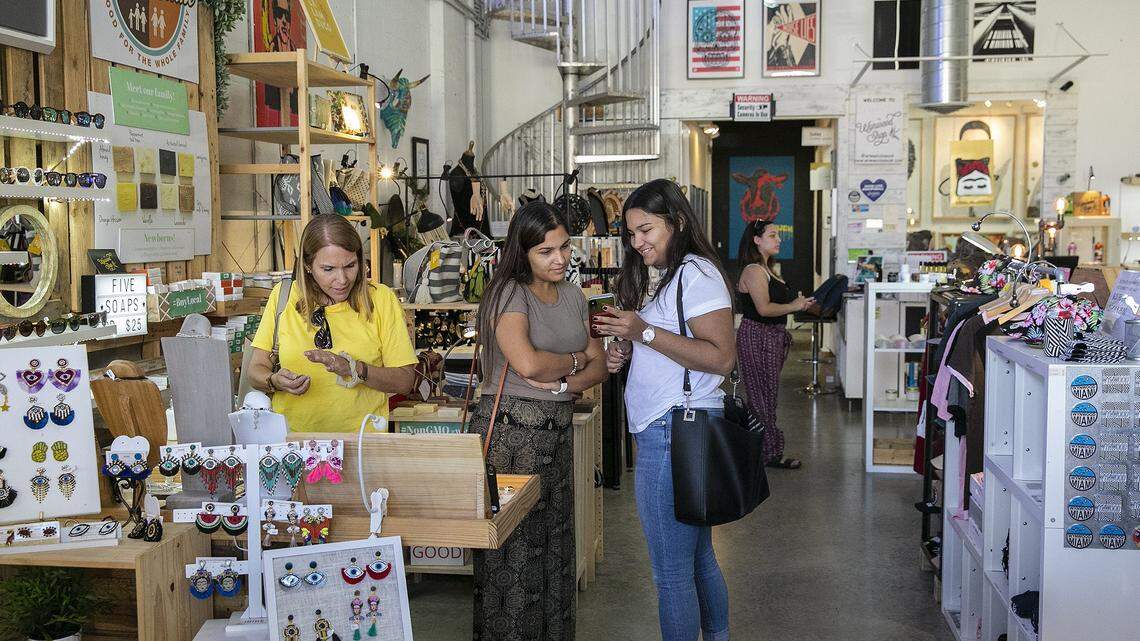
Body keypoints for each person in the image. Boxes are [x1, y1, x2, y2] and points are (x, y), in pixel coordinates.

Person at [595, 179, 737, 641]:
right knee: (698, 559)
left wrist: (643, 333)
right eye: (631, 234)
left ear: (676, 222)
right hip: (676, 428)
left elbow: (721, 357)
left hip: (675, 431)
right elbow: (670, 344)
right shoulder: (674, 275)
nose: (637, 243)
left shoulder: (696, 274)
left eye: (646, 230)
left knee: (672, 573)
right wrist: (629, 349)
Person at [469, 201, 608, 641]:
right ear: (523, 251)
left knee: (555, 548)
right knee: (513, 556)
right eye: (545, 251)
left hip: (555, 434)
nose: (560, 258)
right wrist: (575, 360)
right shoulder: (509, 293)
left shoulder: (573, 294)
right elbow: (528, 364)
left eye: (564, 247)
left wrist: (565, 380)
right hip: (511, 440)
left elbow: (600, 366)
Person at [246, 215, 417, 431]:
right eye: (328, 269)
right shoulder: (283, 296)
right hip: (293, 443)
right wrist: (274, 380)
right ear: (308, 265)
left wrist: (354, 368)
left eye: (350, 265)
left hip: (362, 443)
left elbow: (404, 381)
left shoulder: (381, 299)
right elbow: (255, 370)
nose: (342, 279)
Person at [736, 219, 812, 469]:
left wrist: (798, 304)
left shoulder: (767, 269)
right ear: (757, 240)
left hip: (770, 337)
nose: (778, 239)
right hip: (757, 336)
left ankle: (764, 451)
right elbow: (764, 309)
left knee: (767, 396)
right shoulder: (754, 271)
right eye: (772, 235)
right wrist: (794, 306)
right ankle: (768, 453)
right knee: (760, 398)